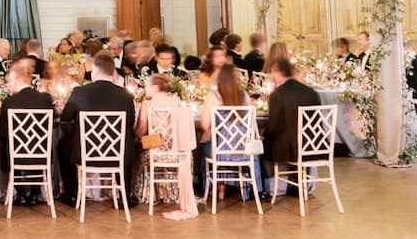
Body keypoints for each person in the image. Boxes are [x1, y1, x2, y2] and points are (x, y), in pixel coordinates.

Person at [59, 51, 136, 208]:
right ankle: (125, 196)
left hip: (86, 151)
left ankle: (72, 194)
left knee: (61, 146)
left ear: (95, 70)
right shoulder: (125, 95)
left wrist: (75, 135)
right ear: (113, 71)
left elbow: (65, 119)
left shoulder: (79, 93)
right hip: (117, 151)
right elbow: (130, 123)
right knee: (128, 141)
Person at [133, 73, 198, 217]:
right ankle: (171, 193)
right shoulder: (178, 101)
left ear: (155, 87)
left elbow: (140, 132)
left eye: (148, 86)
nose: (145, 90)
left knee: (138, 148)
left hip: (155, 153)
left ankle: (148, 193)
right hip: (178, 151)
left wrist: (134, 127)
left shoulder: (147, 104)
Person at [0, 60, 54, 207]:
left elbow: (2, 133)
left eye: (9, 81)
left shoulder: (9, 102)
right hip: (41, 154)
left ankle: (20, 193)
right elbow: (52, 126)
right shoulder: (46, 99)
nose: (8, 85)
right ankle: (35, 194)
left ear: (17, 79)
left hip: (15, 156)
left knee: (7, 144)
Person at [200, 64, 262, 199]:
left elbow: (205, 125)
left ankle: (217, 187)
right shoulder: (245, 95)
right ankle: (243, 188)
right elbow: (251, 123)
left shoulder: (213, 96)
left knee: (205, 146)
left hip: (221, 151)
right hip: (244, 149)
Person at [264, 57, 320, 168]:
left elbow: (273, 127)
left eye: (273, 73)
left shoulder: (278, 94)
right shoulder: (311, 92)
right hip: (314, 146)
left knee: (262, 148)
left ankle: (273, 183)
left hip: (290, 150)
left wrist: (262, 136)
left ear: (278, 72)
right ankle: (302, 179)